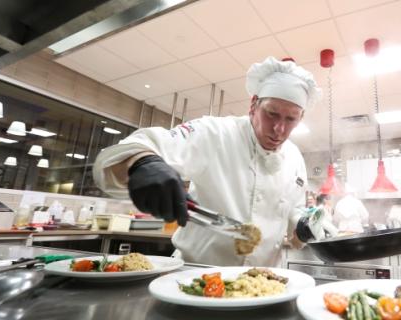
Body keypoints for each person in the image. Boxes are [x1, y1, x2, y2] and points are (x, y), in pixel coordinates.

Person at [93, 57, 327, 267]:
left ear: (301, 117)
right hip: (197, 274)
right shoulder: (216, 133)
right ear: (253, 104)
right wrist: (144, 163)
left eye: (291, 119)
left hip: (264, 283)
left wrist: (304, 228)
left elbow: (292, 217)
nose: (279, 129)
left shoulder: (295, 157)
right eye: (272, 114)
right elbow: (140, 144)